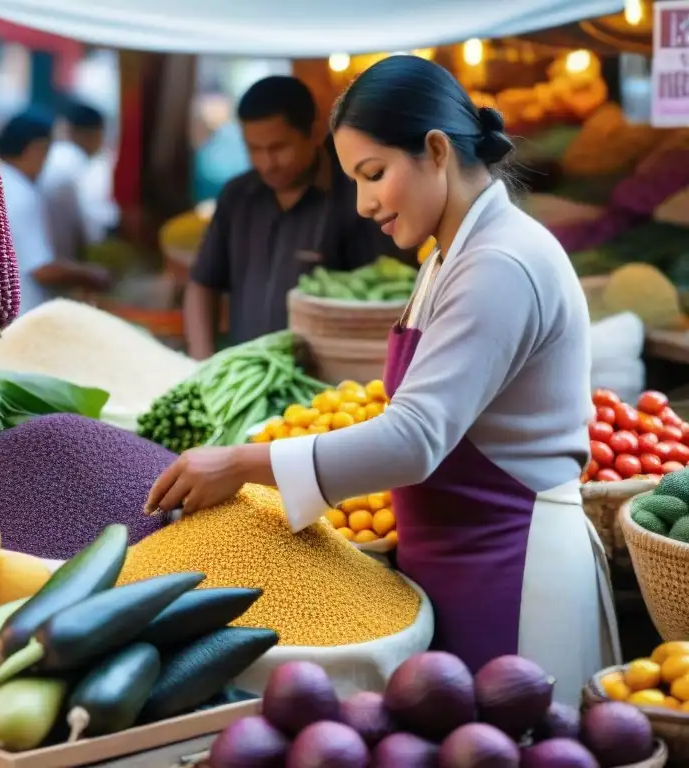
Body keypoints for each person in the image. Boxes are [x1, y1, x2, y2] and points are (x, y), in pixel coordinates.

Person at [147, 55, 619, 705]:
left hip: (512, 568)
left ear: (434, 151)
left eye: (373, 175)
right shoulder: (452, 255)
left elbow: (412, 440)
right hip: (460, 558)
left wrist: (239, 462)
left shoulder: (501, 262)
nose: (364, 204)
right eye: (354, 181)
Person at [183, 75, 395, 360]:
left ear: (315, 131)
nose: (266, 163)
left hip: (327, 392)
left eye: (278, 148)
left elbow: (385, 305)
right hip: (241, 376)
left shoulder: (357, 201)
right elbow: (203, 284)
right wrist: (202, 362)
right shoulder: (237, 197)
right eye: (254, 149)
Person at [0, 110, 109, 314]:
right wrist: (90, 274)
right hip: (20, 315)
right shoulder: (20, 194)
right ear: (35, 150)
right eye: (47, 151)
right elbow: (41, 269)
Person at [39, 99, 116, 263]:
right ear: (95, 134)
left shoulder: (53, 156)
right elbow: (94, 229)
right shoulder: (77, 164)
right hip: (58, 264)